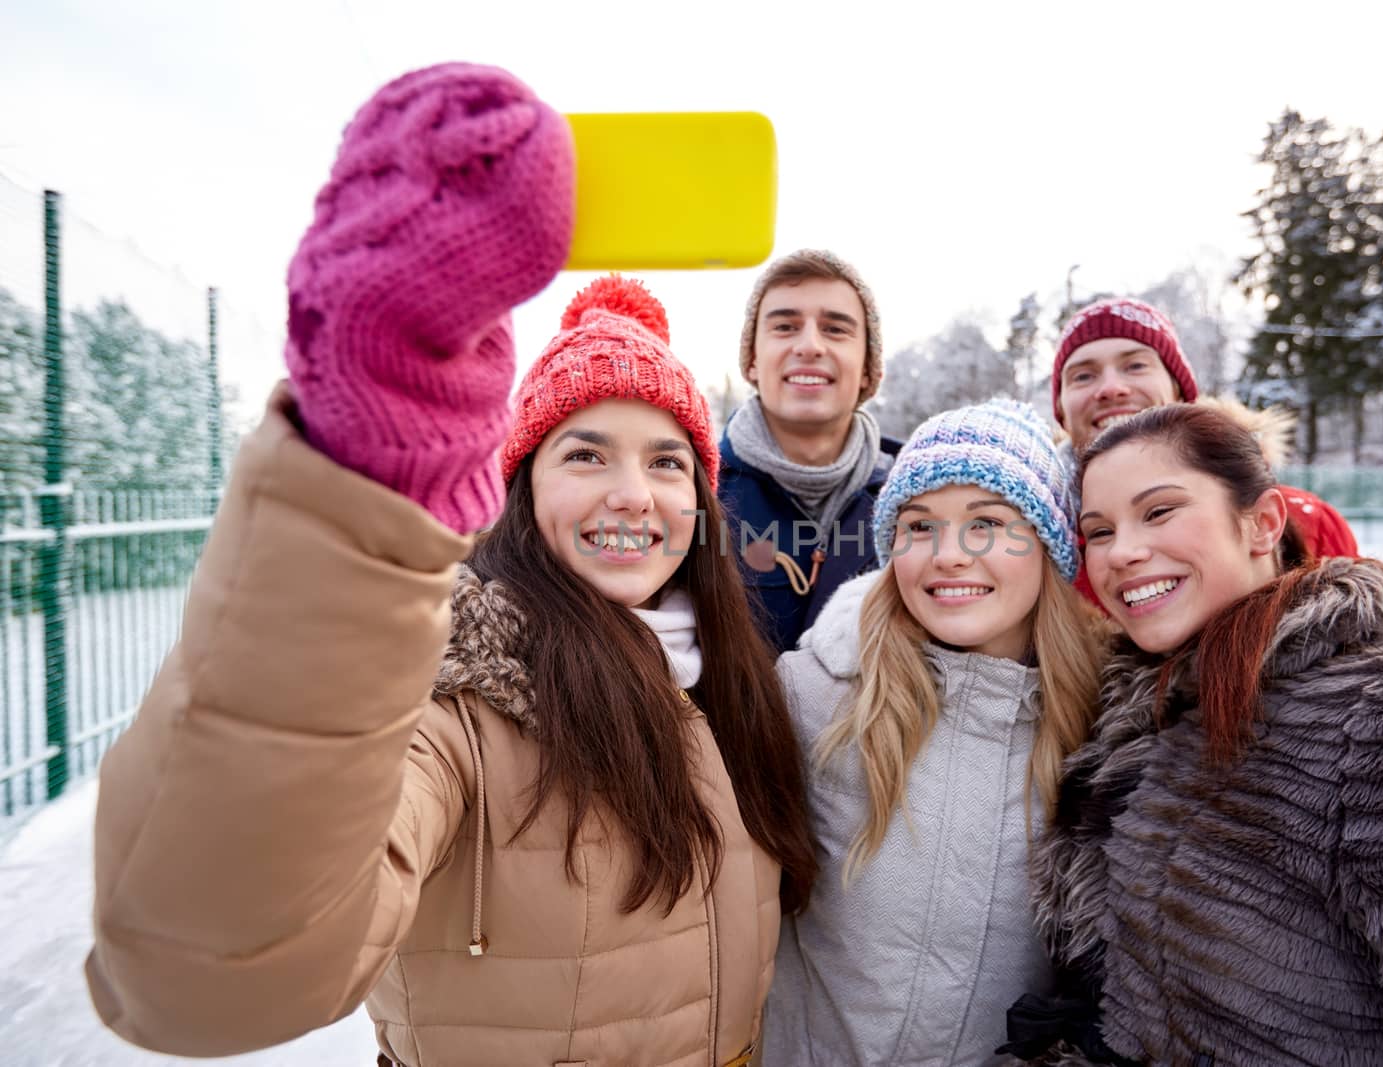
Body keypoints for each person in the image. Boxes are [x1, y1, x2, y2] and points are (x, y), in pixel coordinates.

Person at [85, 63, 816, 1067]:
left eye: (667, 461)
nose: (633, 495)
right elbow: (201, 978)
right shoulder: (459, 698)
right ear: (519, 488)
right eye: (585, 453)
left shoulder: (736, 684)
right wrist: (365, 485)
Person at [1009, 403, 1383, 1065]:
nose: (1123, 552)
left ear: (1262, 523)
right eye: (1099, 530)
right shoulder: (1132, 725)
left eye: (1159, 511)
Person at [763, 399, 1111, 1065]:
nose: (949, 556)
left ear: (1047, 542)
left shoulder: (1104, 732)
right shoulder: (809, 696)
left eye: (987, 523)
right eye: (919, 527)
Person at [1050, 297, 1357, 608]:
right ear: (1060, 408)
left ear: (1179, 391)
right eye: (1083, 376)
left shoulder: (1306, 522)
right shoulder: (1032, 545)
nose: (1112, 388)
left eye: (1135, 365)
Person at [718, 249, 900, 653]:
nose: (810, 345)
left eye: (836, 329)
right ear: (751, 359)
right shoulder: (694, 492)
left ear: (870, 368)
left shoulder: (918, 497)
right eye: (785, 326)